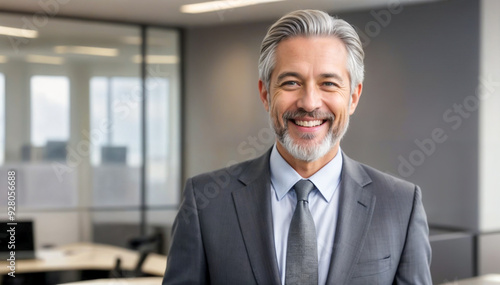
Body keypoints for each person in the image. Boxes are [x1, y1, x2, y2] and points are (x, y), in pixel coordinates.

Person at [163, 9, 432, 285]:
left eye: (328, 83)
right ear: (266, 94)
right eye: (291, 82)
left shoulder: (400, 205)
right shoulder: (206, 203)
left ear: (353, 97)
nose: (309, 103)